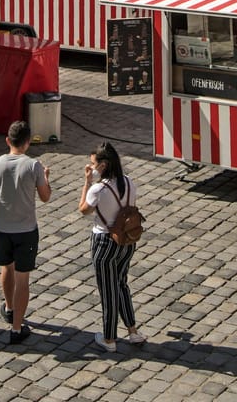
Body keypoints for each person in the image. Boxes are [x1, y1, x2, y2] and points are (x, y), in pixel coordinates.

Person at [0, 120, 51, 345]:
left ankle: (9, 307)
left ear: (7, 141)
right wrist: (46, 178)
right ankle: (16, 327)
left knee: (6, 266)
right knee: (23, 278)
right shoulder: (33, 166)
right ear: (28, 142)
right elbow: (45, 196)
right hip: (26, 230)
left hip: (2, 228)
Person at [77, 142, 146, 352]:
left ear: (104, 165)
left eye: (93, 164)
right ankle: (132, 331)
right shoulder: (129, 182)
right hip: (126, 241)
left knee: (108, 291)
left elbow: (83, 210)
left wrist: (87, 182)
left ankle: (109, 339)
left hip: (104, 242)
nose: (91, 167)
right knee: (121, 283)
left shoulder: (98, 189)